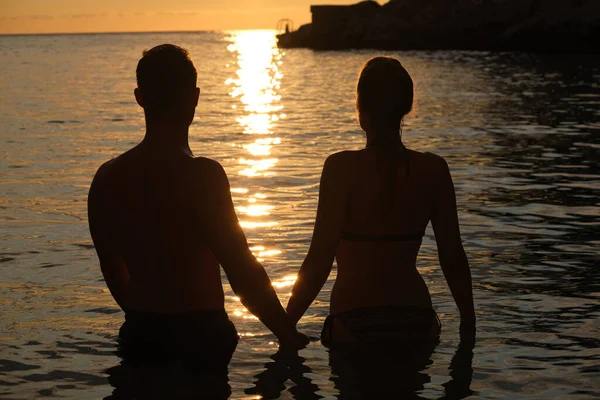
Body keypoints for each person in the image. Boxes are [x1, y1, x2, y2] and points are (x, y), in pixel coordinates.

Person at [88, 44, 308, 370]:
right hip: (201, 335)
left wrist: (146, 317)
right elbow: (241, 270)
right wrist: (286, 333)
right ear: (194, 97)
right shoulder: (203, 176)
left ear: (139, 97)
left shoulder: (106, 179)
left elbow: (113, 271)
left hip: (141, 335)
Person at [286, 56, 475, 346]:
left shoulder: (339, 168)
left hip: (353, 322)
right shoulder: (434, 169)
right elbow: (452, 256)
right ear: (406, 109)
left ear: (361, 112)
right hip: (417, 322)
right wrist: (469, 323)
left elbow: (320, 260)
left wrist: (285, 326)